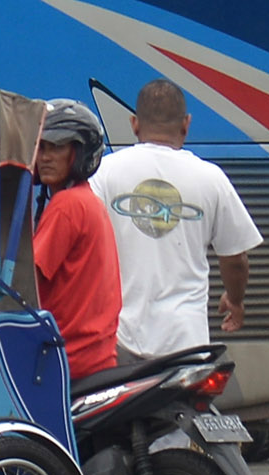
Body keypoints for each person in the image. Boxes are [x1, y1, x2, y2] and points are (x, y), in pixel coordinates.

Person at [91, 80, 259, 357]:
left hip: (118, 338)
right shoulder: (211, 178)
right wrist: (236, 300)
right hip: (186, 342)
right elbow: (235, 260)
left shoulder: (104, 173)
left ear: (134, 123)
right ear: (186, 123)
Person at [28, 101, 123, 393]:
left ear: (79, 153)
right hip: (94, 357)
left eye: (56, 147)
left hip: (67, 359)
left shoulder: (66, 206)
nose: (45, 157)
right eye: (41, 147)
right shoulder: (85, 200)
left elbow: (26, 284)